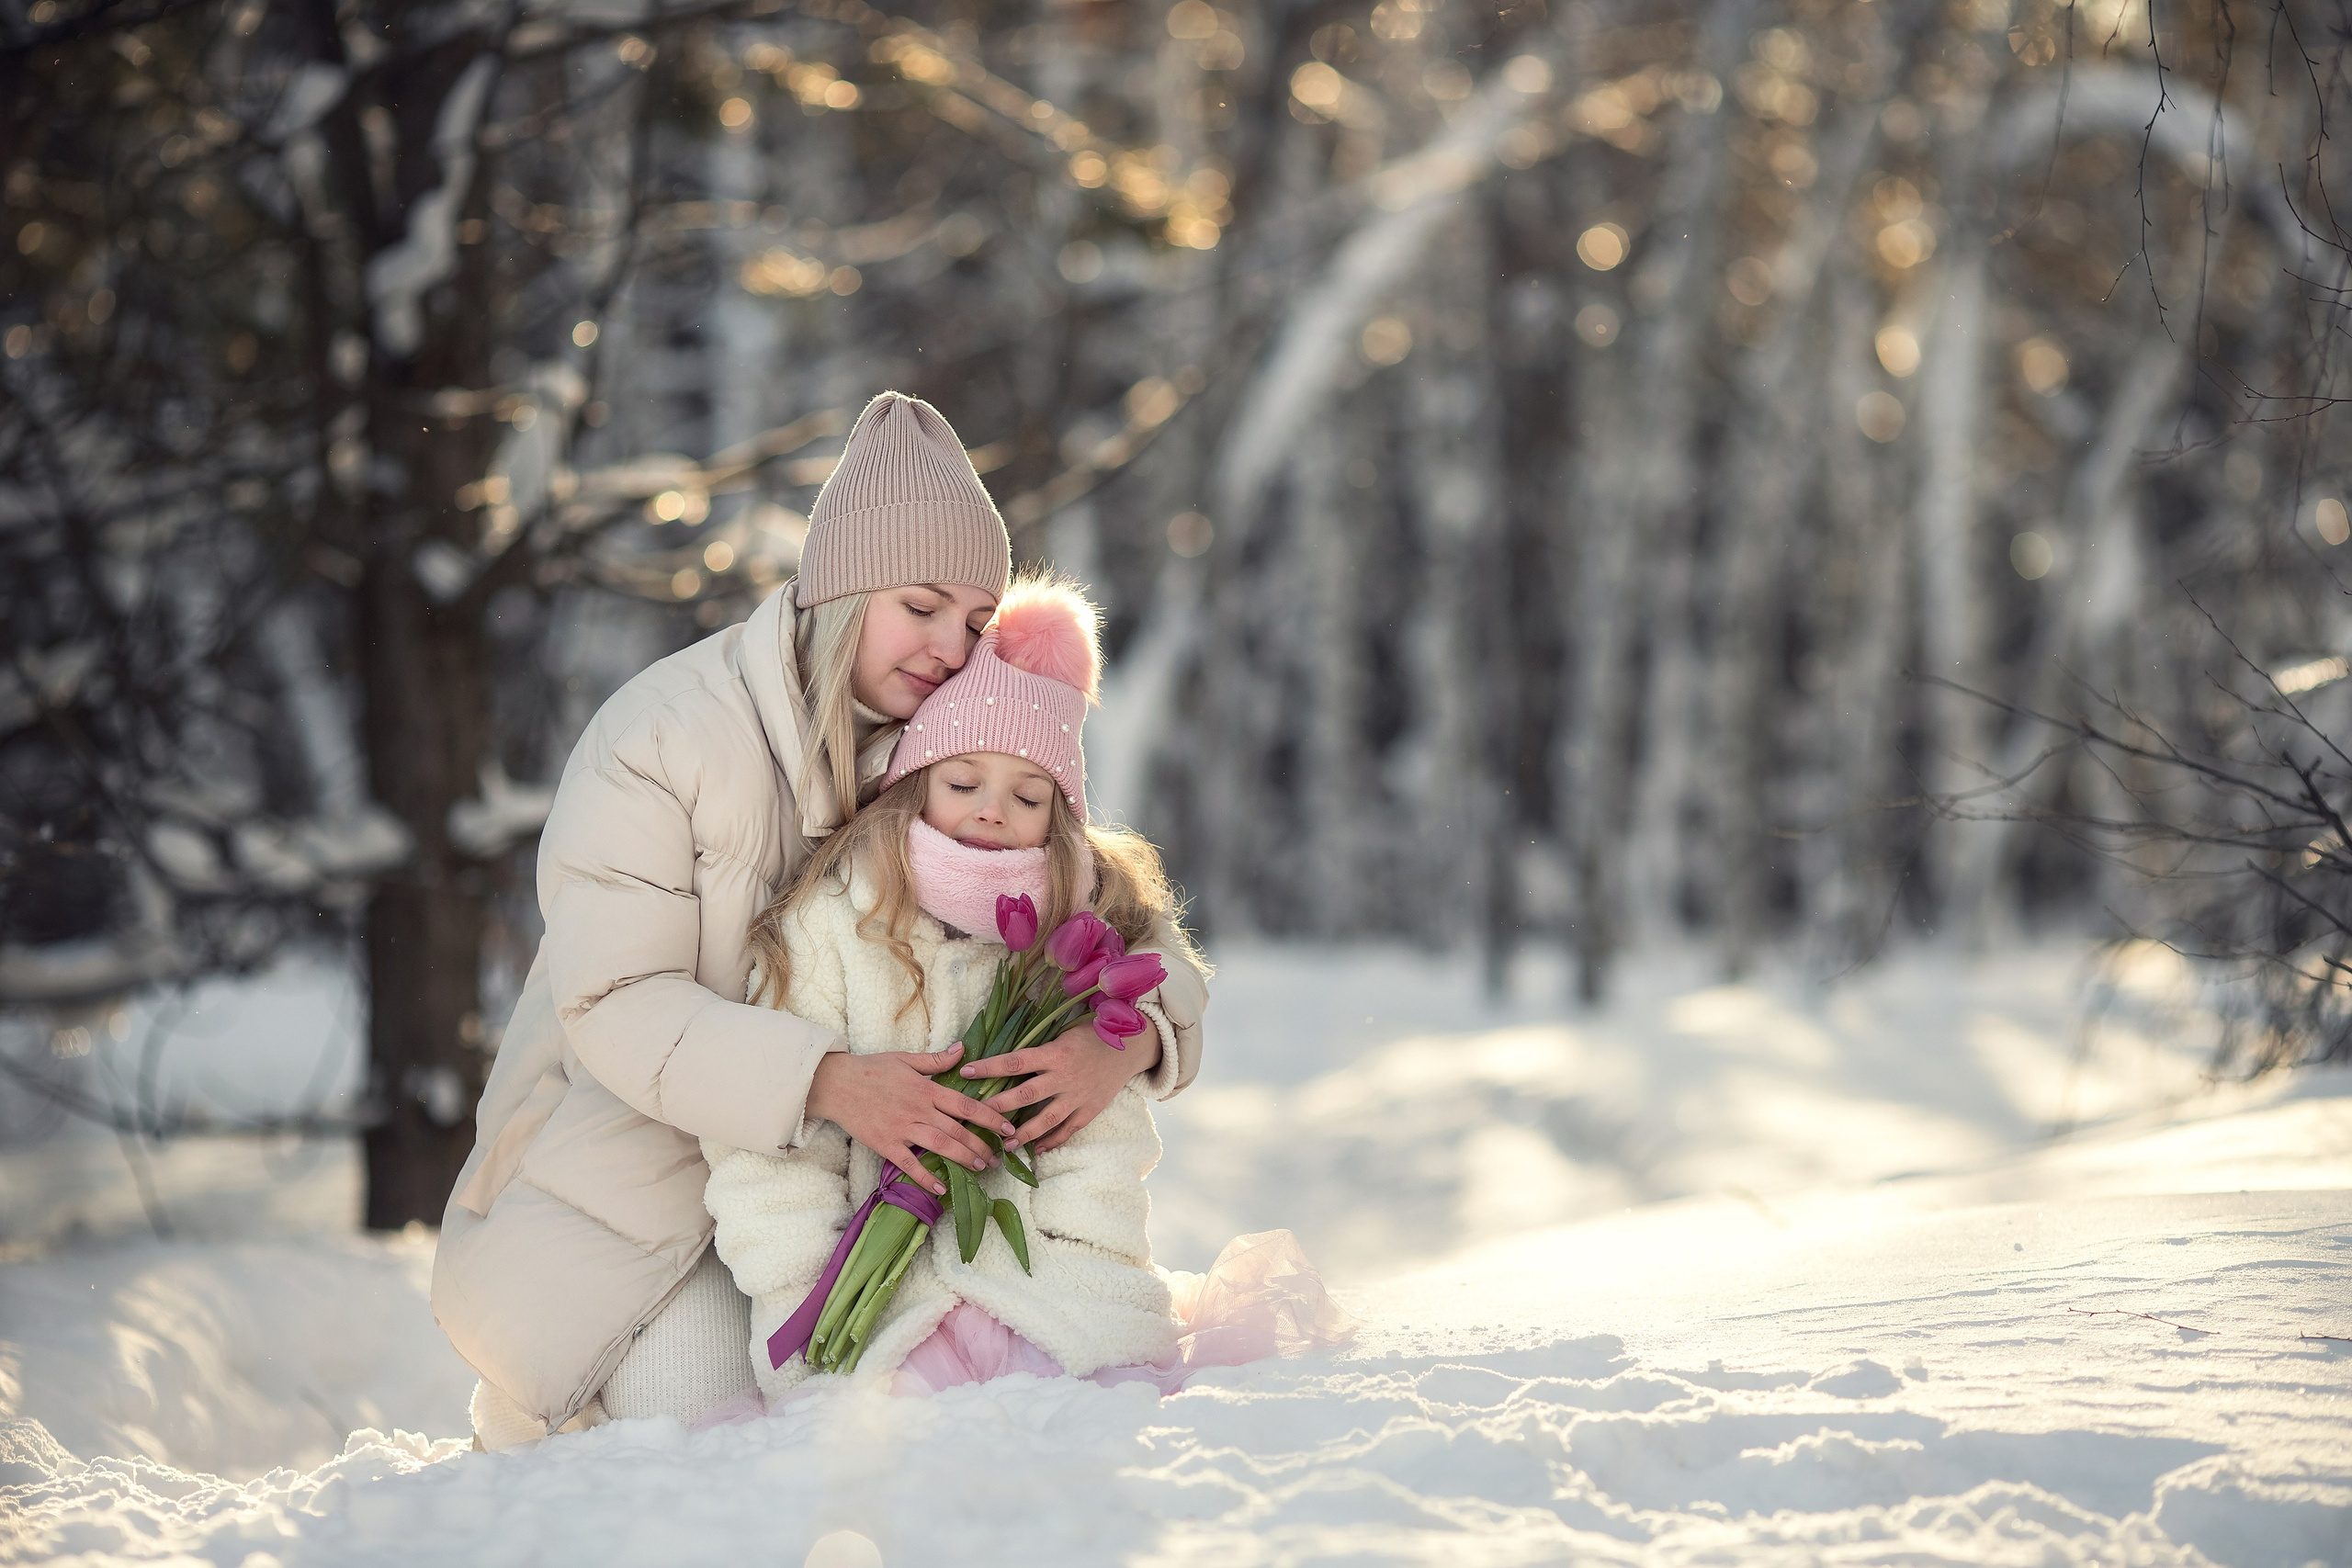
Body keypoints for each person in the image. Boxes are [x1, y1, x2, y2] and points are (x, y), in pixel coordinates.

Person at [432, 394, 1208, 1450]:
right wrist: (827, 1081)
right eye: (920, 606)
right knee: (703, 1434)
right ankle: (552, 1400)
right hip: (642, 1182)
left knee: (884, 1430)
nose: (948, 647)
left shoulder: (951, 748)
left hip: (851, 1202)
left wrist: (1123, 1042)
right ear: (840, 589)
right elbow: (617, 1001)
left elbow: (1106, 910)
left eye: (977, 624)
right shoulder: (663, 735)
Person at [701, 577, 1351, 1407]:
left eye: (1028, 794)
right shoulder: (839, 919)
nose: (990, 813)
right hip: (883, 1311)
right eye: (962, 782)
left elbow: (1167, 998)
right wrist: (806, 1295)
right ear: (913, 781)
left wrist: (1128, 1044)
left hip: (1061, 1294)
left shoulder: (1087, 906)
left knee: (1064, 1438)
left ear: (1063, 811)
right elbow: (770, 1152)